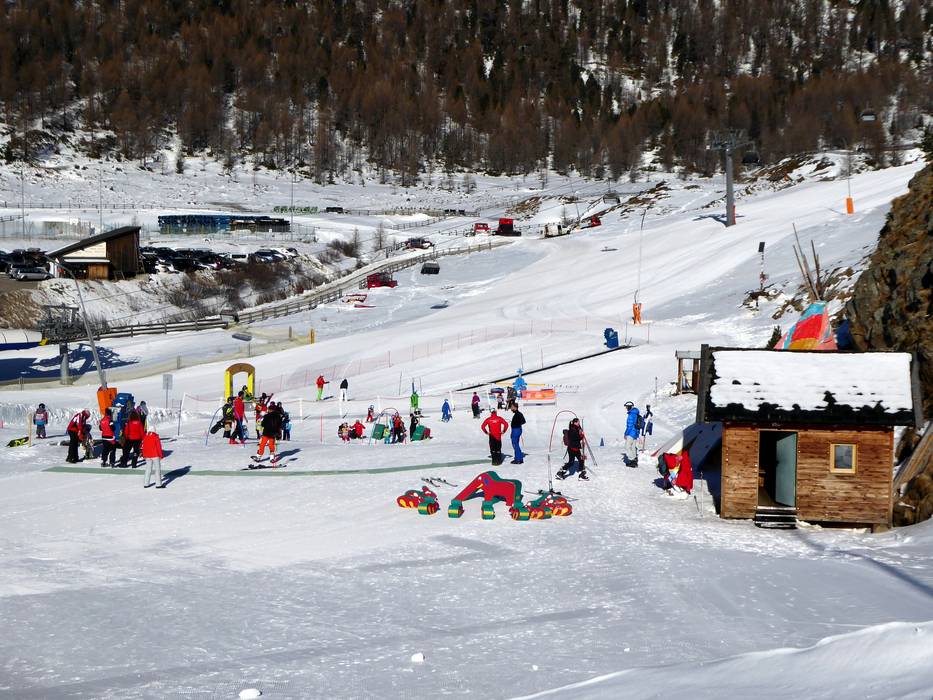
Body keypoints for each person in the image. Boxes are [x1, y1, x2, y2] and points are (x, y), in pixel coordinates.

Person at [623, 401, 640, 467]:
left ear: (629, 407)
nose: (626, 408)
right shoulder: (636, 413)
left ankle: (632, 460)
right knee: (633, 446)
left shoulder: (631, 415)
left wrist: (626, 434)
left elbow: (629, 425)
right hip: (635, 433)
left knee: (627, 446)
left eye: (626, 407)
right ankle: (635, 459)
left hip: (631, 433)